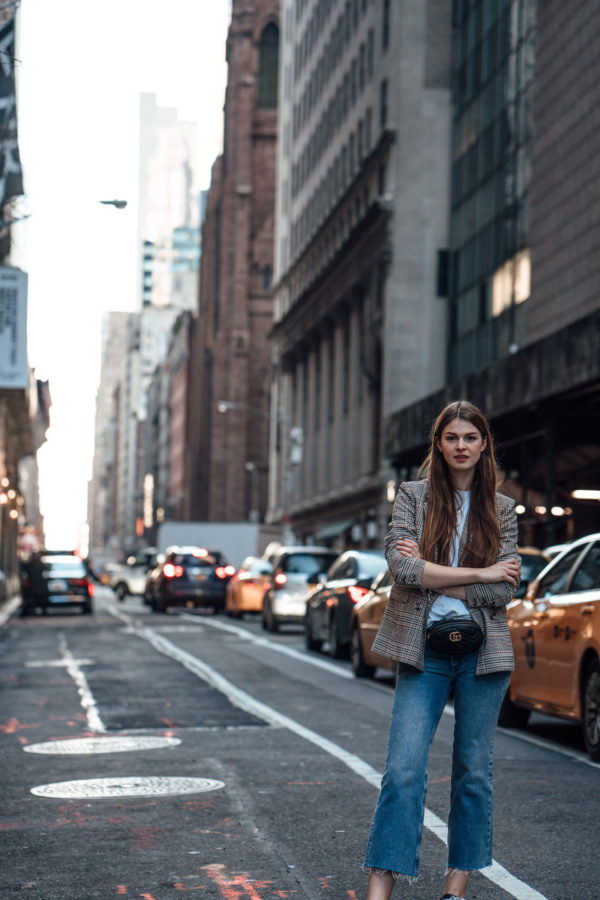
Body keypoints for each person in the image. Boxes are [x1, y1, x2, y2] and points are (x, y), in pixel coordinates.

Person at [363, 400, 520, 900]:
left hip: (483, 656)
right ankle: (379, 888)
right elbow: (404, 572)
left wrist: (437, 576)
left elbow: (504, 593)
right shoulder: (411, 497)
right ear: (438, 444)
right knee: (403, 770)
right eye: (451, 437)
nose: (460, 446)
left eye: (469, 438)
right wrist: (480, 571)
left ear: (483, 445)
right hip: (423, 652)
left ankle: (456, 888)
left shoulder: (503, 508)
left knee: (473, 772)